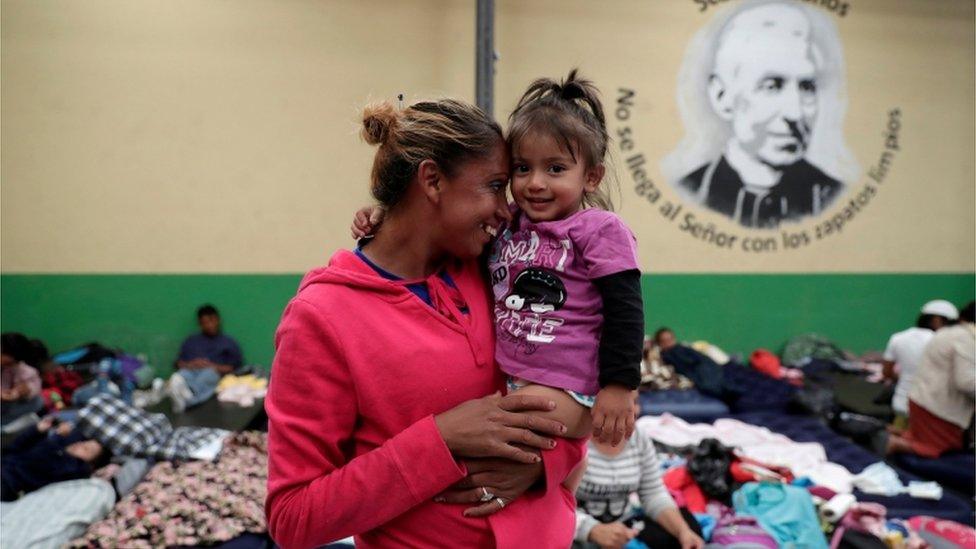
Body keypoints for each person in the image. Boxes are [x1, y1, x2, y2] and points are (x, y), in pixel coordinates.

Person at [267, 97, 583, 549]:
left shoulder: (498, 271)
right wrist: (440, 440)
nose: (506, 208)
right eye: (494, 186)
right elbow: (293, 518)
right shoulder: (323, 318)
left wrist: (540, 467)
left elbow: (574, 391)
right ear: (432, 180)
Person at [676, 2, 844, 228]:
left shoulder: (829, 194)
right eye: (772, 86)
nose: (795, 112)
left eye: (806, 87)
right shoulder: (692, 190)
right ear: (722, 96)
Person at [574, 395, 705, 549]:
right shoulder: (575, 440)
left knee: (688, 528)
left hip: (623, 532)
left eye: (635, 402)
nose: (633, 410)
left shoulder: (639, 438)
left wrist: (683, 532)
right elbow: (552, 504)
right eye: (623, 401)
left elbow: (653, 493)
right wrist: (591, 530)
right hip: (574, 533)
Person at [887, 301, 975, 458]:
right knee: (936, 449)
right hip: (938, 408)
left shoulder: (901, 337)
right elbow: (966, 381)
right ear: (935, 320)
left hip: (911, 401)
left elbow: (887, 371)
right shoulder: (965, 338)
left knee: (914, 437)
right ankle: (885, 443)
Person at [882, 299, 958, 423]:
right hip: (929, 410)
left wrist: (905, 378)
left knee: (899, 437)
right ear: (936, 320)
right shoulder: (941, 341)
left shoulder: (898, 338)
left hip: (901, 405)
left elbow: (886, 372)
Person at [1, 415, 110, 501]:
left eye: (86, 449)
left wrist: (57, 437)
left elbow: (40, 462)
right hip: (5, 462)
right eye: (83, 443)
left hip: (10, 483)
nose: (80, 445)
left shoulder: (71, 469)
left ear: (89, 463)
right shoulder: (58, 443)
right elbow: (16, 447)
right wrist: (37, 431)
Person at [168, 304, 243, 412]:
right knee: (180, 375)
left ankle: (188, 395)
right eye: (205, 323)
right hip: (191, 371)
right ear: (200, 324)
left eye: (212, 321)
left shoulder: (228, 342)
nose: (209, 325)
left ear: (218, 320)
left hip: (212, 373)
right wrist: (191, 364)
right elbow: (178, 364)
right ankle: (183, 393)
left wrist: (212, 366)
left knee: (208, 374)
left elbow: (233, 368)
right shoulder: (191, 341)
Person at [1, 333, 44, 426]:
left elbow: (33, 382)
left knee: (37, 401)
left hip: (7, 407)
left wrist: (26, 390)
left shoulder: (16, 366)